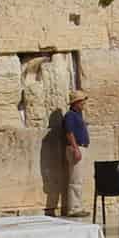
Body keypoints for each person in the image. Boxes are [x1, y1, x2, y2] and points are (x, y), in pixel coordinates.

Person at [46, 91, 90, 219]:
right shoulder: (70, 116)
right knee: (75, 179)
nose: (83, 103)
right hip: (75, 148)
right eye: (82, 101)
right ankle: (74, 208)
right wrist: (76, 149)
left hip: (80, 147)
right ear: (76, 103)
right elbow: (69, 133)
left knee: (78, 179)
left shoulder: (77, 115)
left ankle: (77, 206)